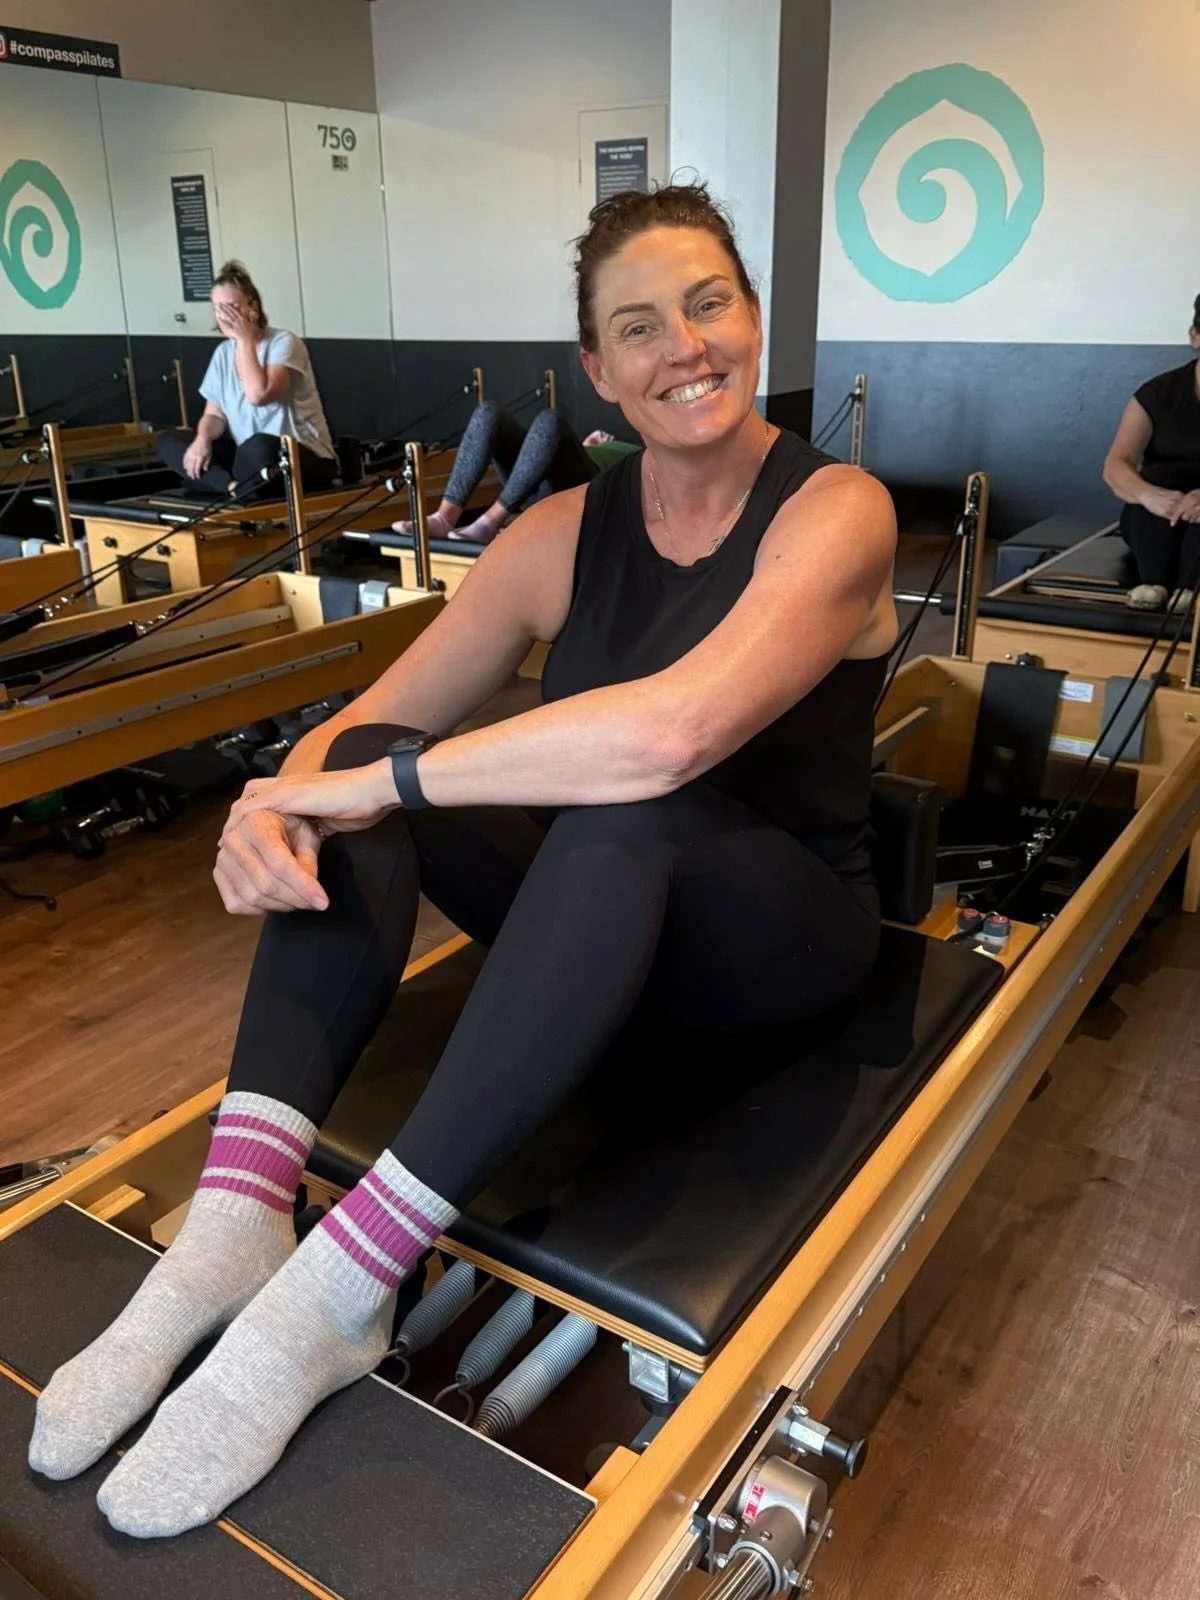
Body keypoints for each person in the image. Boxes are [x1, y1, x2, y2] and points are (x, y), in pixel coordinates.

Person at [29, 182, 898, 1536]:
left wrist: (367, 784)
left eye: (709, 302)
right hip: (607, 922)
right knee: (370, 760)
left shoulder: (837, 511)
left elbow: (668, 737)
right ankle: (237, 1219)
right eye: (639, 327)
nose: (687, 344)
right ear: (599, 378)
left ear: (753, 314)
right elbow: (364, 733)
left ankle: (344, 1282)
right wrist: (274, 799)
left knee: (602, 799)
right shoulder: (559, 539)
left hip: (778, 951)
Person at [158, 261, 338, 499]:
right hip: (249, 461)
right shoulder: (223, 353)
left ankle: (223, 482)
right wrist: (202, 440)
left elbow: (258, 395)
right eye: (218, 308)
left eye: (232, 307)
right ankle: (234, 487)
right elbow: (214, 415)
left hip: (298, 456)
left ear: (252, 306)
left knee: (259, 445)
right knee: (170, 441)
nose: (224, 316)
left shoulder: (284, 343)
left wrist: (245, 340)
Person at [391, 402, 630, 547]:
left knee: (550, 420)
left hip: (582, 488)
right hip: (529, 487)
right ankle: (444, 517)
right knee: (489, 413)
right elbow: (559, 449)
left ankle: (490, 522)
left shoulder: (637, 452)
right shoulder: (583, 446)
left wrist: (584, 451)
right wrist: (586, 445)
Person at [1103, 297, 1200, 610]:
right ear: (1195, 336)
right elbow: (1116, 466)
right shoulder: (1157, 393)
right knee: (1157, 475)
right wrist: (1151, 495)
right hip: (1161, 513)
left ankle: (1189, 591)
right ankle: (1152, 585)